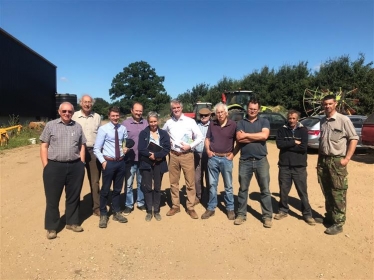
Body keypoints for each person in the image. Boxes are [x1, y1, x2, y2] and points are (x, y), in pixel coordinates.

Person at [40, 102, 86, 240]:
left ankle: (72, 222)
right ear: (59, 112)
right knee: (52, 198)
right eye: (64, 111)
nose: (67, 113)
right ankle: (52, 227)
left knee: (73, 196)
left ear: (73, 112)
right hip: (54, 166)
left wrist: (81, 163)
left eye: (70, 111)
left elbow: (82, 145)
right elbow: (44, 146)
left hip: (75, 166)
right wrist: (46, 166)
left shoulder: (77, 126)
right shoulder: (51, 125)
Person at [317, 94, 358, 235]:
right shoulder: (323, 121)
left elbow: (353, 138)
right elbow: (322, 142)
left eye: (330, 103)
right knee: (326, 189)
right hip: (323, 160)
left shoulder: (343, 120)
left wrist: (346, 159)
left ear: (335, 104)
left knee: (338, 191)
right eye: (325, 104)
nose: (327, 106)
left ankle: (339, 223)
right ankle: (330, 217)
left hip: (337, 160)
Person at [234, 98, 273, 228]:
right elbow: (239, 138)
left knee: (265, 190)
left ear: (258, 109)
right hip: (245, 161)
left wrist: (247, 135)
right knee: (243, 189)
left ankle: (267, 217)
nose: (252, 111)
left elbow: (264, 136)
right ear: (247, 108)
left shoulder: (264, 121)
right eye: (250, 108)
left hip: (261, 160)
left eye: (255, 109)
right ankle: (241, 214)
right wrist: (256, 135)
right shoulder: (240, 123)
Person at [94, 106, 134, 228]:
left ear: (119, 116)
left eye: (117, 115)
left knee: (117, 189)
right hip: (109, 162)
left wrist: (126, 148)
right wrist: (103, 162)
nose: (115, 118)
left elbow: (124, 143)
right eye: (113, 116)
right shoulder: (103, 129)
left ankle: (116, 212)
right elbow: (96, 148)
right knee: (105, 190)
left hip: (121, 162)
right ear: (109, 116)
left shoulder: (123, 128)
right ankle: (103, 215)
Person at [163, 99, 203, 219]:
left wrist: (190, 146)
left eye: (178, 108)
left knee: (190, 183)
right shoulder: (168, 123)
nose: (176, 110)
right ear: (171, 109)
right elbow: (162, 134)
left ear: (181, 108)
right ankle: (175, 206)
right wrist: (167, 142)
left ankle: (190, 207)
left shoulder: (190, 122)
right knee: (173, 182)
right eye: (174, 108)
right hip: (174, 155)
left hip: (187, 155)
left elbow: (199, 136)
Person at [274, 110, 316, 225]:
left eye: (294, 118)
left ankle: (307, 214)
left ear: (297, 119)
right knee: (283, 190)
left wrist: (287, 145)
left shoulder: (303, 130)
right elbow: (279, 144)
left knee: (302, 191)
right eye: (290, 118)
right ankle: (283, 210)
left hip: (299, 167)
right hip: (284, 166)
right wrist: (293, 142)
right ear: (287, 118)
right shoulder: (282, 129)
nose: (291, 120)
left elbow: (303, 148)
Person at [201, 103, 239, 220]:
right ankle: (211, 207)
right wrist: (208, 151)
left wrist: (233, 154)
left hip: (226, 159)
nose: (220, 114)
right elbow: (207, 139)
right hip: (213, 158)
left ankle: (230, 208)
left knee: (228, 185)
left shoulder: (233, 125)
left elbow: (239, 141)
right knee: (212, 184)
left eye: (222, 112)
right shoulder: (212, 124)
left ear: (226, 113)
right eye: (218, 112)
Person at [72, 94, 102, 216]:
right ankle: (75, 208)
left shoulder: (97, 117)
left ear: (92, 103)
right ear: (80, 103)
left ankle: (96, 207)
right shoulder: (74, 116)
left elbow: (100, 134)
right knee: (76, 181)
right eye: (85, 102)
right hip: (77, 152)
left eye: (89, 102)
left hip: (93, 151)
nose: (87, 104)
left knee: (95, 181)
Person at [138, 112, 171, 221]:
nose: (153, 124)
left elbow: (167, 148)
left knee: (157, 187)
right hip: (146, 163)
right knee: (147, 188)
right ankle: (149, 211)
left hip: (159, 163)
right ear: (148, 121)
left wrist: (157, 155)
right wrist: (150, 156)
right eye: (151, 121)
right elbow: (141, 148)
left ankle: (156, 210)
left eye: (155, 121)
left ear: (158, 121)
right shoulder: (143, 133)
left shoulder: (163, 133)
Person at [121, 102, 148, 215]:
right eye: (136, 110)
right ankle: (128, 204)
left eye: (140, 111)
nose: (138, 113)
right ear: (131, 110)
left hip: (142, 158)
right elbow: (121, 140)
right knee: (128, 183)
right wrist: (123, 148)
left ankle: (141, 202)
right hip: (129, 159)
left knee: (141, 182)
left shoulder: (146, 122)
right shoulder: (125, 124)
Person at [194, 107, 211, 205]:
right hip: (197, 154)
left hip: (208, 154)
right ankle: (199, 196)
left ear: (209, 116)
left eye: (206, 115)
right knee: (197, 178)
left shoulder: (213, 125)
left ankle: (209, 196)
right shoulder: (195, 125)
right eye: (201, 115)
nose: (203, 117)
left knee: (209, 177)